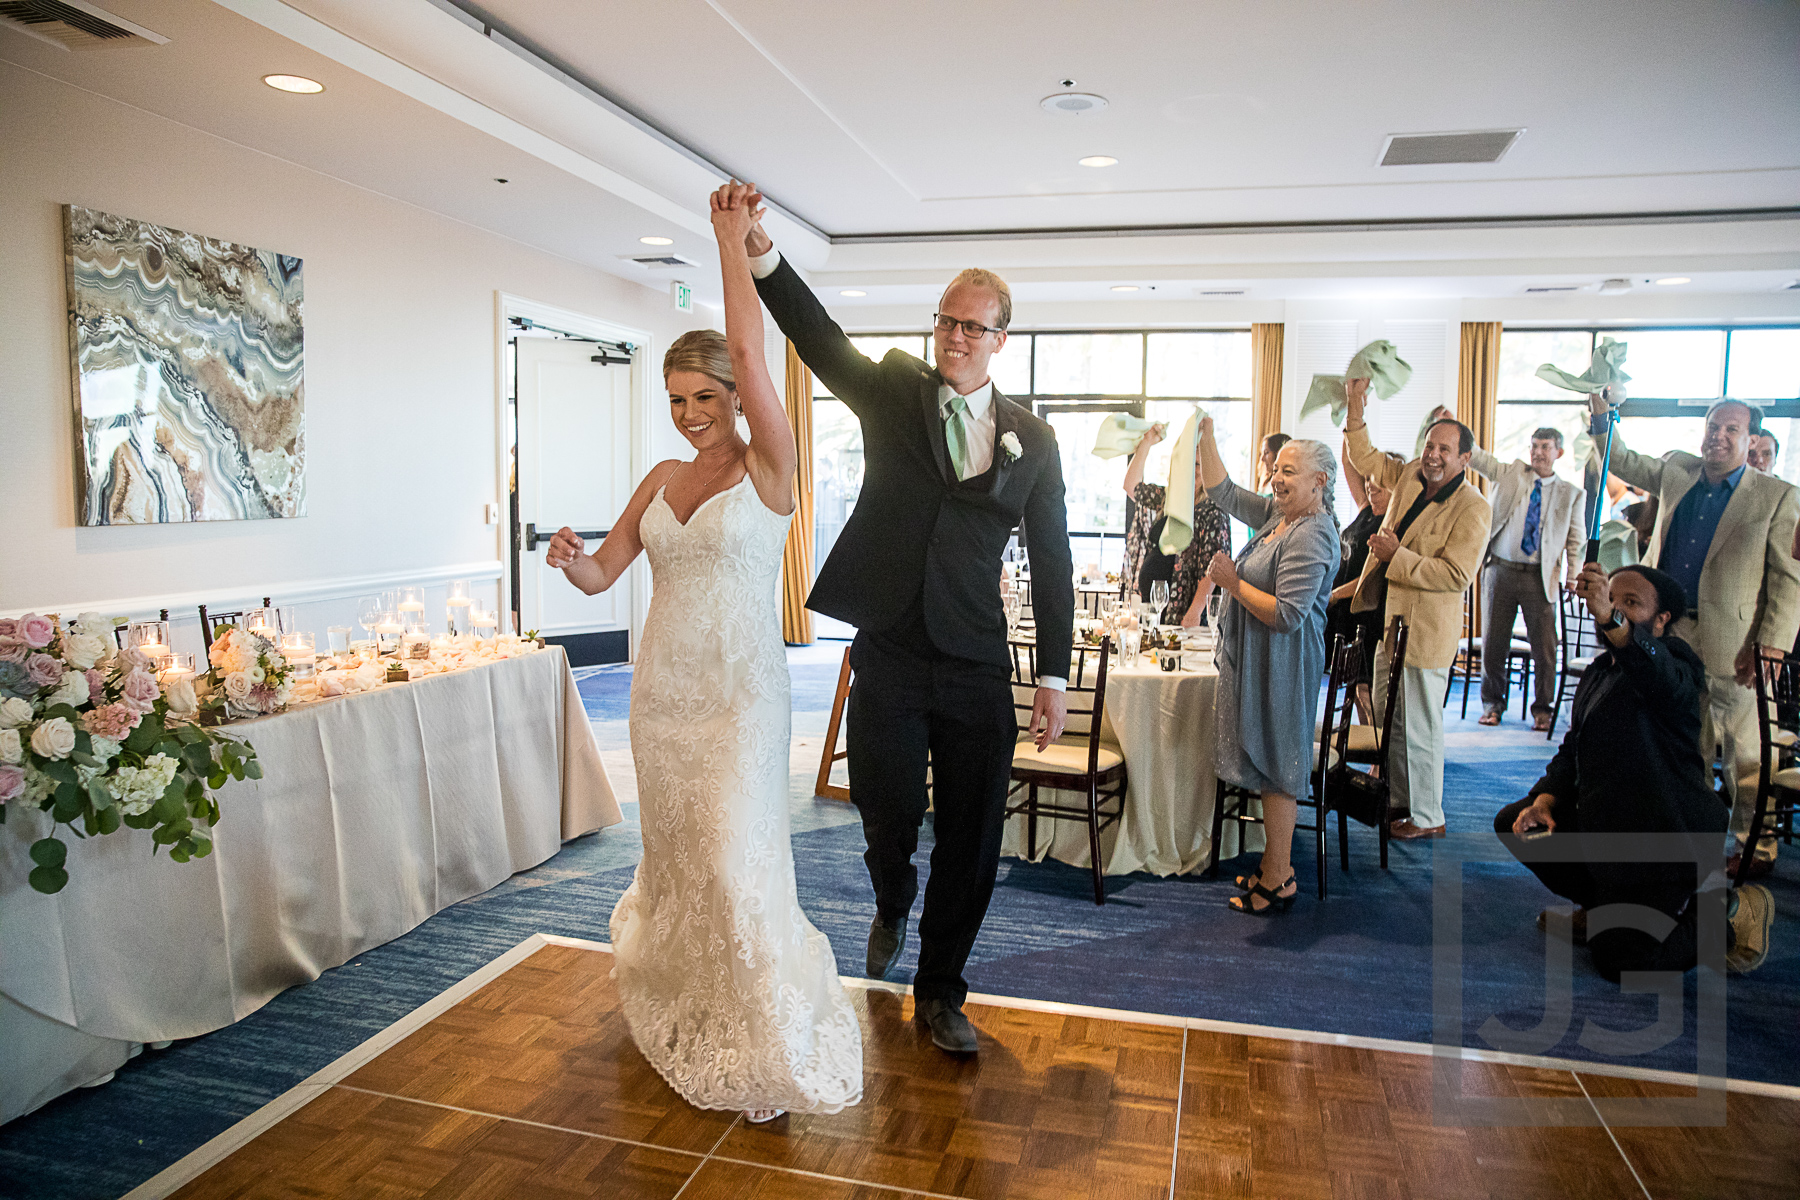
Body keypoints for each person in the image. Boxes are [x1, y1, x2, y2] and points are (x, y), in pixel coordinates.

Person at [545, 184, 861, 1122]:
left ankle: (761, 1023)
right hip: (661, 701)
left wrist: (731, 243)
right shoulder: (661, 477)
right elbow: (606, 576)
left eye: (707, 397)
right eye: (678, 399)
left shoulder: (771, 468)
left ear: (738, 397)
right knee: (678, 861)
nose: (690, 415)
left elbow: (758, 346)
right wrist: (570, 565)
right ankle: (688, 998)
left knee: (733, 861)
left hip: (740, 700)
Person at [740, 204, 1075, 1056]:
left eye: (973, 326)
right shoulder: (892, 390)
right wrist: (764, 257)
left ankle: (942, 991)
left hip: (972, 661)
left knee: (975, 833)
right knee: (885, 809)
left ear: (1003, 338)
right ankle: (892, 893)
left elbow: (1054, 559)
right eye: (946, 320)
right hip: (888, 646)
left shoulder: (1033, 441)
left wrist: (1054, 676)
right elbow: (820, 342)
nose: (955, 336)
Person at [1495, 563, 1773, 979]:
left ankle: (1730, 914)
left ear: (1662, 621)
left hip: (1662, 840)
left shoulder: (1679, 664)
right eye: (1611, 598)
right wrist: (1546, 801)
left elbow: (1657, 674)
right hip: (1608, 831)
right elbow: (1572, 751)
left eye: (1631, 603)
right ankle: (1602, 906)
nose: (1614, 608)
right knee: (1514, 822)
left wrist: (1610, 617)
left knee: (1621, 962)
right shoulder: (1598, 671)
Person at [1585, 392, 1800, 872]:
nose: (1718, 437)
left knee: (1745, 752)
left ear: (1752, 440)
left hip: (1735, 641)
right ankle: (1693, 837)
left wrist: (1771, 645)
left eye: (1730, 430)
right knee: (1685, 743)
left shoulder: (1778, 496)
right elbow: (1620, 459)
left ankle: (1753, 846)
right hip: (1667, 632)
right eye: (1712, 427)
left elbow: (1789, 579)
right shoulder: (1678, 469)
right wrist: (1602, 417)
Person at [1198, 416, 1340, 914]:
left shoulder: (1313, 533)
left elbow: (1287, 615)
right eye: (1277, 469)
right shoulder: (1278, 516)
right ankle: (1273, 866)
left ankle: (1279, 879)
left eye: (1291, 472)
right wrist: (1207, 439)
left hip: (1285, 661)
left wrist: (1232, 583)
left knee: (1281, 766)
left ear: (1319, 482)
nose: (1278, 479)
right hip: (1264, 658)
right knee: (1268, 764)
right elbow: (1224, 492)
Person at [1343, 381, 1491, 840]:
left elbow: (1455, 575)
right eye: (1430, 445)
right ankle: (1402, 801)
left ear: (1465, 459)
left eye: (1445, 449)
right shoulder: (1409, 475)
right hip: (1391, 621)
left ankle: (1430, 817)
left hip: (1427, 632)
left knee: (1421, 726)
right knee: (1391, 719)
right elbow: (1365, 458)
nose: (1434, 455)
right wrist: (1354, 405)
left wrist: (1396, 558)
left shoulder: (1474, 508)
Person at [1468, 429, 1587, 730]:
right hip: (1501, 570)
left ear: (1558, 452)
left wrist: (1573, 575)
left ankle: (1543, 709)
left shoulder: (1572, 494)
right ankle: (1492, 705)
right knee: (1494, 643)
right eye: (1534, 446)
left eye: (1546, 447)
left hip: (1540, 577)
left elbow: (1576, 541)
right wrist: (1460, 432)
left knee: (1545, 649)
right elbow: (1480, 459)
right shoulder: (1511, 473)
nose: (1538, 453)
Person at [1119, 421, 1231, 625]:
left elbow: (1214, 567)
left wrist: (1195, 611)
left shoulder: (1214, 511)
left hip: (1187, 611)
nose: (1193, 471)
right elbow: (1131, 486)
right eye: (1188, 464)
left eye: (1198, 465)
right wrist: (1146, 443)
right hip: (1154, 607)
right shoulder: (1168, 497)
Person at [1328, 445, 1398, 719]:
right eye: (1369, 482)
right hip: (1346, 611)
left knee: (1366, 689)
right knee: (1355, 687)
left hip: (1366, 613)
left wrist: (1334, 595)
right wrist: (1348, 416)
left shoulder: (1392, 524)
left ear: (1394, 489)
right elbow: (1348, 462)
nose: (1371, 488)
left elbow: (1372, 577)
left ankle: (1377, 754)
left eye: (1378, 485)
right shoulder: (1365, 509)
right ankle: (1368, 751)